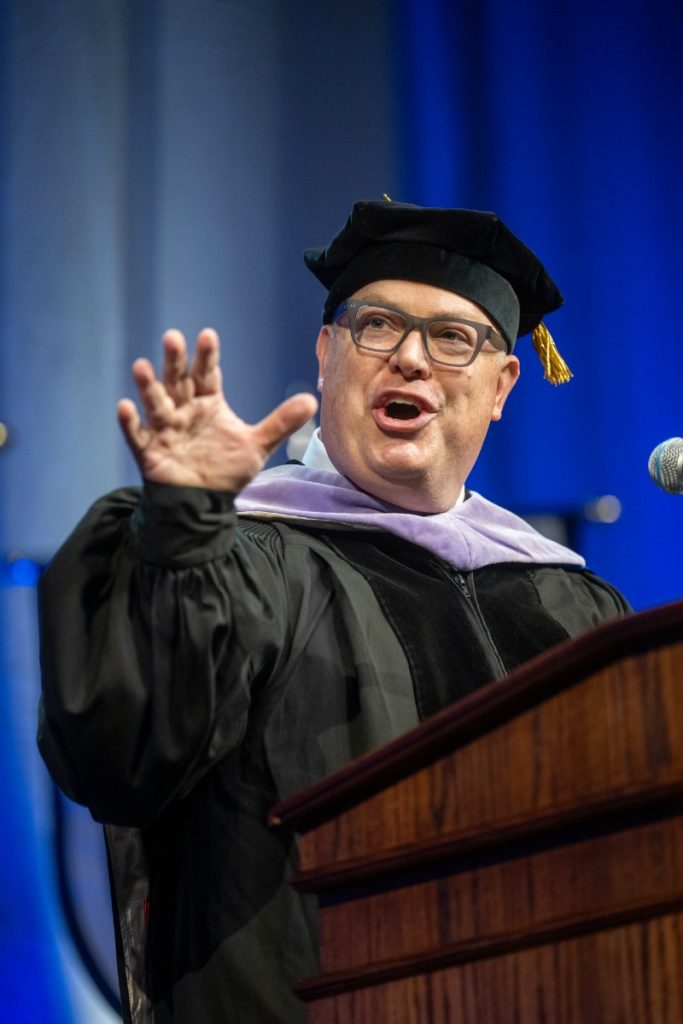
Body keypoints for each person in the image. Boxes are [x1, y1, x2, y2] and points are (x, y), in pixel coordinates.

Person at [38, 200, 630, 1024]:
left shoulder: (570, 606)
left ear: (501, 387)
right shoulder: (239, 561)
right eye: (378, 326)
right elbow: (117, 760)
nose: (412, 360)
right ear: (327, 354)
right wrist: (181, 534)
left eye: (453, 338)